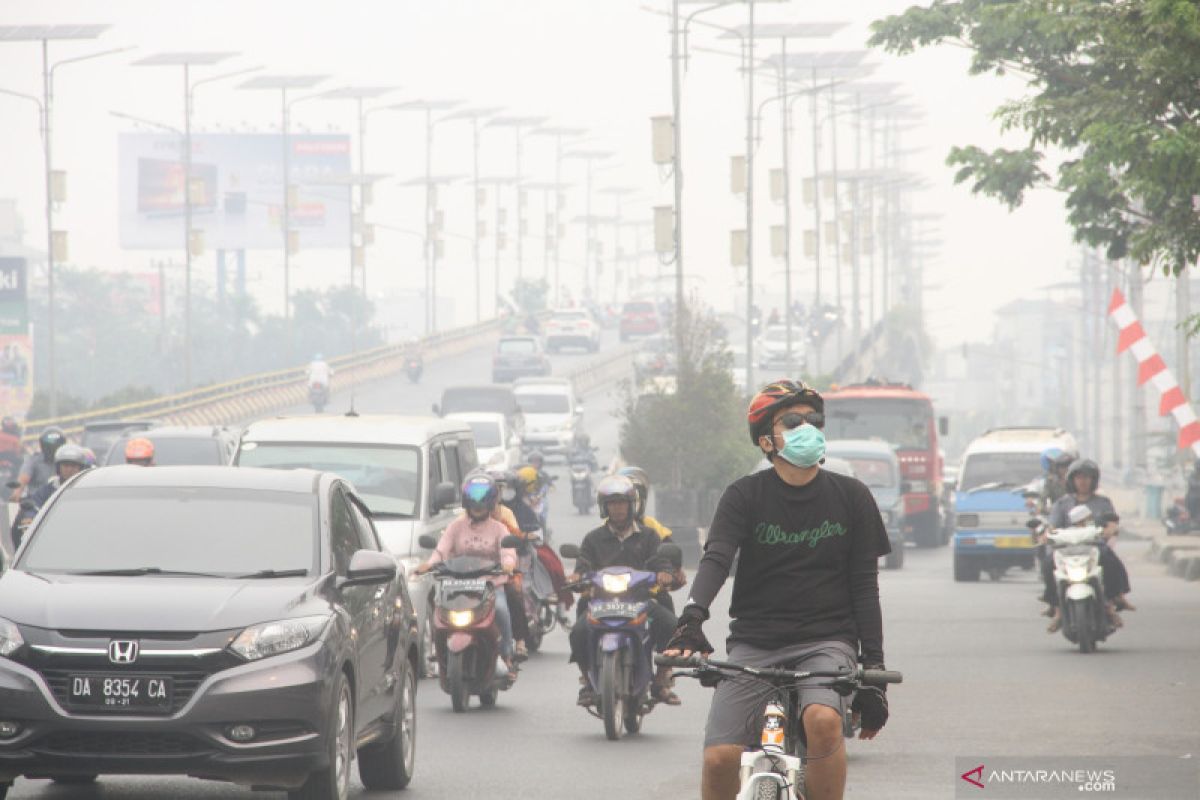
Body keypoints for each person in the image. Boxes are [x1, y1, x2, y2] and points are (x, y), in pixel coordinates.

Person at [664, 379, 891, 800]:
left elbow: (865, 586)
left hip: (827, 643)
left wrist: (873, 671)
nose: (808, 427)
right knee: (719, 759)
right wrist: (691, 619)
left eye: (814, 420)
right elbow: (716, 559)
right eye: (793, 420)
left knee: (823, 722)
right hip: (755, 645)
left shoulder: (853, 497)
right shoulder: (743, 496)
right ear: (766, 439)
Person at [566, 474, 681, 707]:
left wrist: (665, 572)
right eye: (612, 504)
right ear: (604, 507)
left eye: (622, 503)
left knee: (671, 624)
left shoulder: (649, 536)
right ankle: (588, 680)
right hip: (601, 603)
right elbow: (583, 564)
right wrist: (578, 576)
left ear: (632, 506)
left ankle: (661, 678)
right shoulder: (593, 539)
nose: (618, 509)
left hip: (641, 601)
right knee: (577, 632)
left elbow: (660, 560)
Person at [414, 473, 520, 671]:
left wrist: (508, 564)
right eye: (473, 503)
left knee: (503, 612)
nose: (477, 507)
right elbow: (441, 550)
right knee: (439, 615)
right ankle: (438, 653)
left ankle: (507, 655)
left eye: (482, 503)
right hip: (457, 585)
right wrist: (429, 565)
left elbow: (508, 552)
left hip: (490, 585)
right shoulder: (455, 527)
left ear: (490, 504)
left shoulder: (499, 529)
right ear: (466, 503)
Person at [617, 465, 688, 613]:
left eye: (630, 500)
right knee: (583, 609)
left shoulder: (652, 528)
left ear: (641, 500)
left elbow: (668, 553)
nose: (622, 508)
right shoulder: (599, 534)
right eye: (618, 501)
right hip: (608, 597)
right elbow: (587, 561)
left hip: (648, 594)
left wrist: (671, 572)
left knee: (669, 617)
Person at [1048, 458, 1114, 529]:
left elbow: (1112, 525)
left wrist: (1110, 530)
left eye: (1086, 477)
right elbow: (1053, 528)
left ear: (1093, 480)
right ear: (1072, 481)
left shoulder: (1103, 503)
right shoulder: (1061, 505)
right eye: (1078, 477)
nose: (1082, 481)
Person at [11, 427, 66, 500]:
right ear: (43, 445)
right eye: (49, 445)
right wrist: (16, 495)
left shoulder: (67, 462)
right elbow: (23, 479)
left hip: (62, 500)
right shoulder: (33, 461)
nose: (52, 448)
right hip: (37, 503)